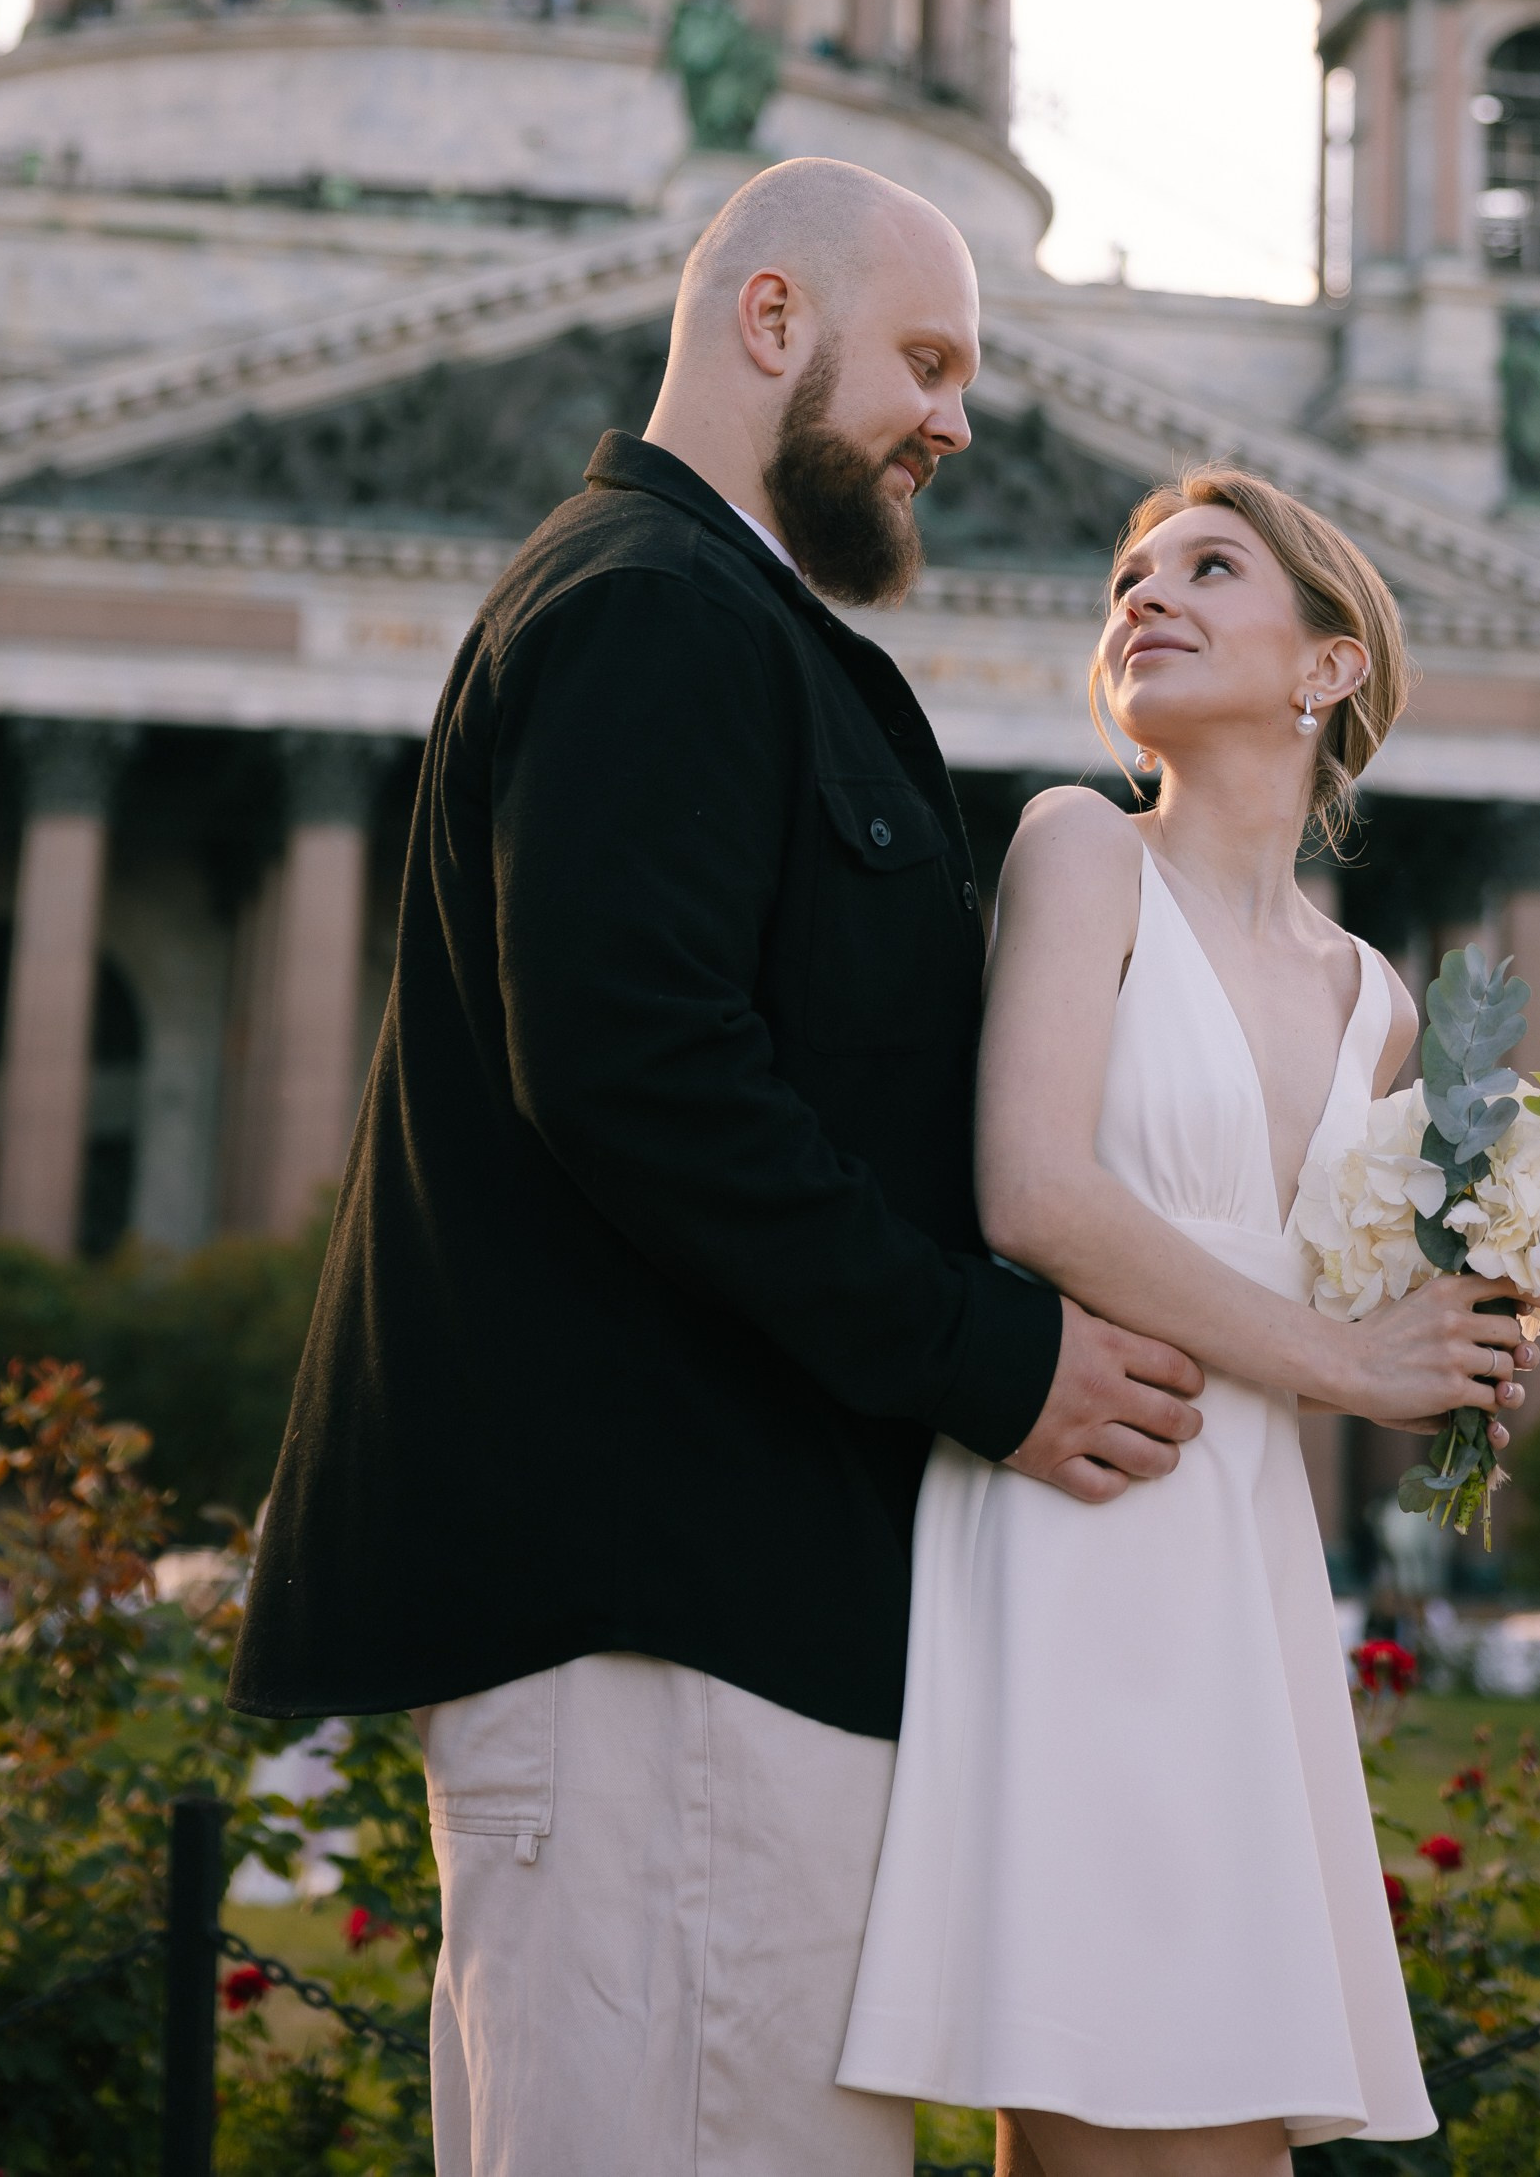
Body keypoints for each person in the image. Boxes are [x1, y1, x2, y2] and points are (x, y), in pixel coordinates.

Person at [229, 155, 1209, 2177]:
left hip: (712, 1629)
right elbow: (644, 1075)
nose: (957, 420)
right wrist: (990, 1360)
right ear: (773, 320)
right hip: (662, 1634)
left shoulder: (706, 616)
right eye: (925, 361)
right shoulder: (654, 610)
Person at [839, 466, 1533, 2175]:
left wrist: (1469, 1328)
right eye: (1128, 576)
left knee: (1221, 2105)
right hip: (1075, 1504)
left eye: (1207, 568)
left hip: (1239, 1546)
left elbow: (1322, 1293)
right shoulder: (1079, 848)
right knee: (1094, 2082)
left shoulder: (1372, 995)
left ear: (1324, 667)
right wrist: (1342, 1362)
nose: (1141, 595)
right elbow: (1035, 1195)